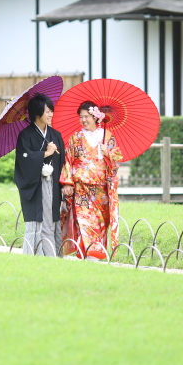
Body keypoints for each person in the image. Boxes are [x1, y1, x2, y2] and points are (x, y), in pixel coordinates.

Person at [60, 101, 122, 260]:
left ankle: (96, 252)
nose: (83, 120)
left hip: (101, 188)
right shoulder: (76, 137)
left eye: (86, 116)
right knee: (85, 221)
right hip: (82, 187)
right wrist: (67, 182)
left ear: (96, 117)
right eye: (81, 117)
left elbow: (117, 160)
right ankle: (89, 253)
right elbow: (68, 159)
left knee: (101, 222)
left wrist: (107, 152)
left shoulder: (107, 136)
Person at [14, 93, 65, 257]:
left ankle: (53, 254)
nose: (51, 114)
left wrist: (64, 183)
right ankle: (37, 254)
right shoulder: (25, 136)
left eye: (52, 111)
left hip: (53, 184)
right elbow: (24, 160)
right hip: (36, 185)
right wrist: (45, 153)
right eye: (47, 111)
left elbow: (62, 161)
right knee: (39, 220)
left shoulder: (55, 134)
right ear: (37, 113)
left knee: (52, 219)